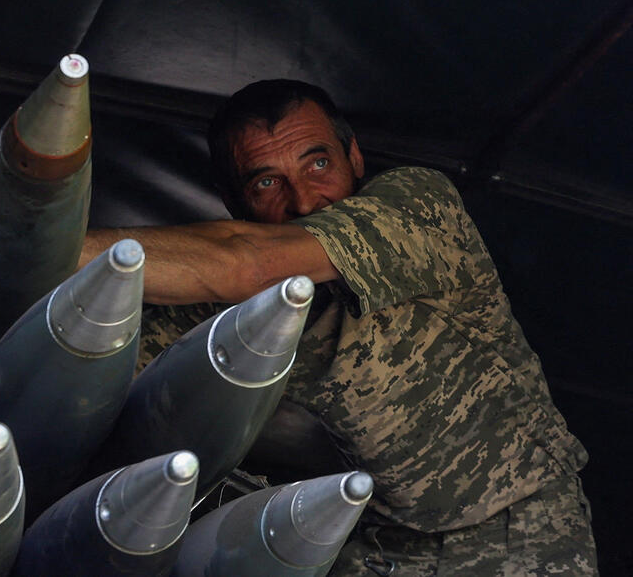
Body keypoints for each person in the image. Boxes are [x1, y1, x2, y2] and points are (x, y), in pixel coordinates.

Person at [80, 80, 597, 575]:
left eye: (318, 164)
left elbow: (246, 263)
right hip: (384, 539)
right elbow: (102, 386)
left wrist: (37, 244)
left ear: (355, 158)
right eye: (266, 182)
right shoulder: (229, 301)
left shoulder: (418, 207)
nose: (303, 201)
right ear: (234, 203)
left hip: (520, 525)